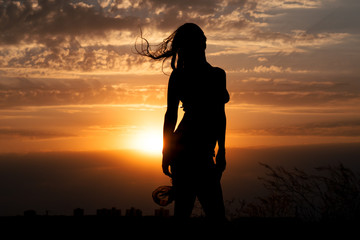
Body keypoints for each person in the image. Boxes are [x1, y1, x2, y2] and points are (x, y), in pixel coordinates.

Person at [137, 23, 229, 221]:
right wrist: (221, 149)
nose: (203, 42)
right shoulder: (214, 75)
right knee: (212, 214)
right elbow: (173, 116)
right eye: (200, 39)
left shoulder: (187, 76)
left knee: (189, 214)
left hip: (192, 151)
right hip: (195, 152)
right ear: (202, 44)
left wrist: (166, 152)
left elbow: (172, 116)